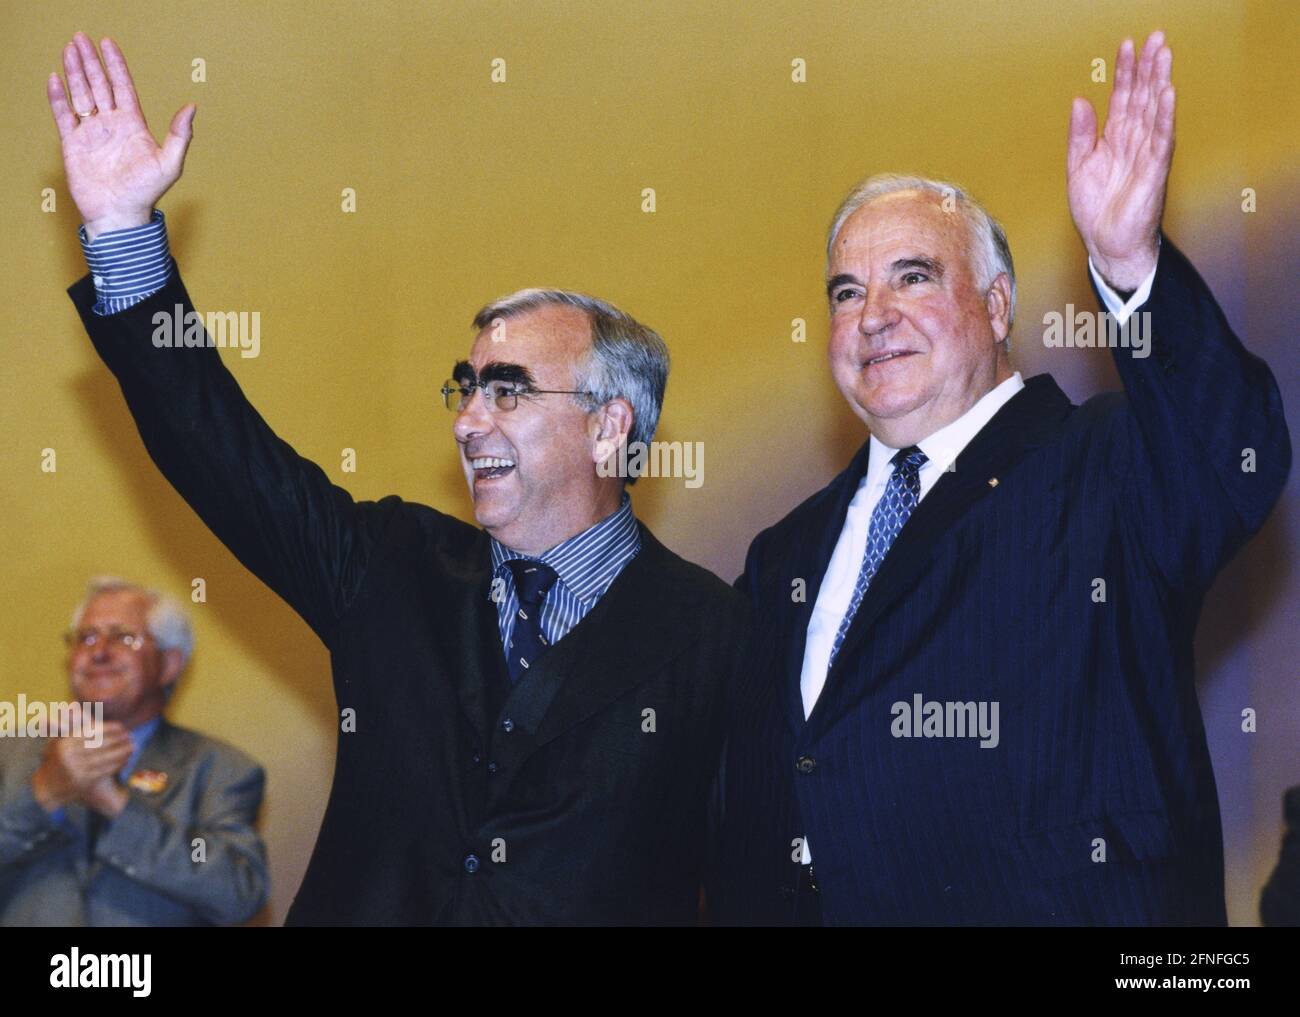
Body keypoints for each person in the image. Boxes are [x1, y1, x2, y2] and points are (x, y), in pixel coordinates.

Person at [48, 32, 743, 925]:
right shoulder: (390, 565)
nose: (466, 418)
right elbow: (215, 447)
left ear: (609, 424)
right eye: (466, 387)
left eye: (508, 391)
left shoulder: (715, 632)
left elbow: (751, 877)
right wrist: (121, 236)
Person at [711, 31, 1290, 925]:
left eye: (913, 276)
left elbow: (1232, 454)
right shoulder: (784, 552)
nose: (874, 317)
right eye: (846, 291)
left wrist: (1133, 266)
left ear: (996, 304)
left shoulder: (1101, 466)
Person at [0, 577, 268, 926]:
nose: (99, 651)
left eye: (123, 637)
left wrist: (116, 804)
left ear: (169, 664)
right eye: (87, 637)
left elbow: (237, 894)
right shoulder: (10, 752)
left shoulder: (220, 769)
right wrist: (45, 793)